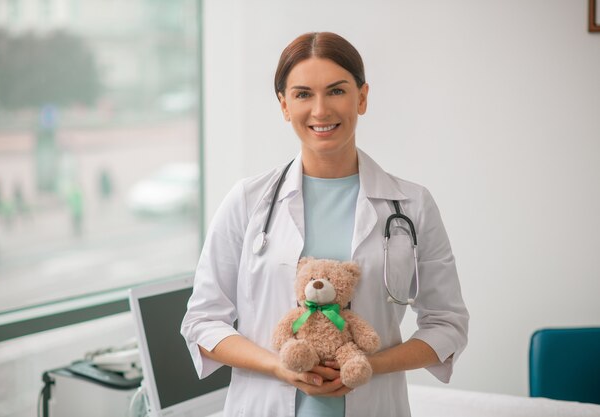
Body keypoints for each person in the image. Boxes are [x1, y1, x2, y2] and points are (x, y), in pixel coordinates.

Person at [181, 32, 469, 417]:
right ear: (284, 105)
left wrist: (367, 367)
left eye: (336, 91)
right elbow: (202, 322)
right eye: (302, 94)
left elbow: (447, 324)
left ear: (361, 98)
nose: (320, 110)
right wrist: (277, 364)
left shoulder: (412, 205)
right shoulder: (248, 201)